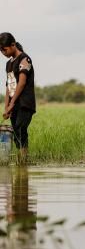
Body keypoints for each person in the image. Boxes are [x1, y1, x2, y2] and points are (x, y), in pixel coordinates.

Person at [0, 33, 36, 164]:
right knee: (16, 134)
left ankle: (23, 161)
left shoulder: (24, 59)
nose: (3, 52)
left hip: (25, 103)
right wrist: (6, 107)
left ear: (13, 45)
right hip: (14, 105)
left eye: (5, 49)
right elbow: (9, 86)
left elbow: (21, 83)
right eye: (1, 50)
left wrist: (12, 103)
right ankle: (22, 163)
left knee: (21, 129)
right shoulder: (8, 64)